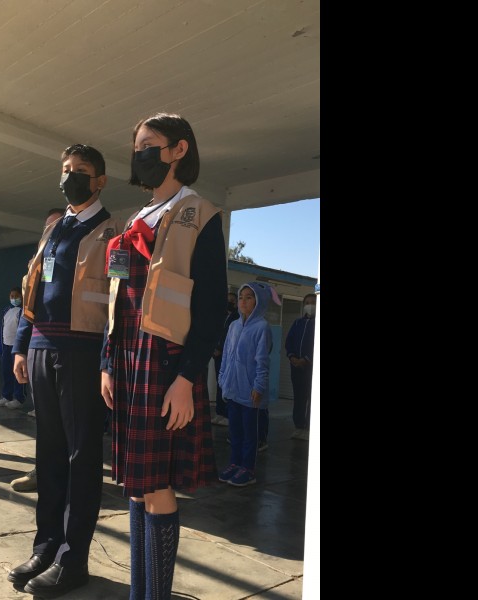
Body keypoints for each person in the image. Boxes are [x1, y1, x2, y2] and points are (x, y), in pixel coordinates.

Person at [100, 113, 226, 600]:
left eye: (149, 144)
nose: (140, 154)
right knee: (137, 484)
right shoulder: (135, 218)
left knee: (157, 487)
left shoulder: (200, 213)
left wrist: (187, 378)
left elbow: (210, 308)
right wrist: (107, 362)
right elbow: (115, 298)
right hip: (128, 360)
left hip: (165, 363)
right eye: (137, 147)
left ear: (178, 150)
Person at [6, 144, 123, 597]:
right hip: (41, 348)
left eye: (80, 170)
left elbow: (118, 305)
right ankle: (46, 548)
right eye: (66, 169)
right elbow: (32, 289)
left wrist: (108, 361)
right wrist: (21, 346)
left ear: (100, 181)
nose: (70, 177)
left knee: (81, 459)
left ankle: (73, 560)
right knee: (49, 456)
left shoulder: (114, 233)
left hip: (82, 353)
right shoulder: (54, 229)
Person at [9, 207, 66, 494]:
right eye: (47, 228)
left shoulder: (81, 259)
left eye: (56, 226)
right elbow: (27, 311)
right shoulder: (38, 264)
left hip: (74, 352)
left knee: (72, 423)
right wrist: (20, 350)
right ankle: (43, 472)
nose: (50, 231)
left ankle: (72, 479)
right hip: (39, 351)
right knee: (46, 420)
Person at [217, 282, 279, 487]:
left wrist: (258, 387)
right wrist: (222, 378)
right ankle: (234, 463)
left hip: (250, 392)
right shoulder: (234, 326)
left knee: (249, 433)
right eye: (240, 297)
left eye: (249, 297)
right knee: (234, 431)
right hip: (232, 389)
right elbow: (226, 355)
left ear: (259, 302)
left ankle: (248, 469)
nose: (243, 301)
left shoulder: (262, 327)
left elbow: (262, 361)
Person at [285, 292, 317, 441]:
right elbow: (289, 341)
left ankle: (310, 428)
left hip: (312, 368)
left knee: (312, 397)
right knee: (299, 397)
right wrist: (292, 357)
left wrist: (307, 359)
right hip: (296, 367)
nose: (310, 306)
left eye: (313, 303)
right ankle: (299, 426)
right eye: (307, 303)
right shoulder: (297, 323)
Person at [0, 287, 26, 409]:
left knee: (18, 373)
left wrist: (21, 348)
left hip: (16, 348)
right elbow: (2, 330)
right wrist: (0, 347)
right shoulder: (6, 311)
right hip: (6, 346)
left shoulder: (22, 311)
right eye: (12, 296)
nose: (14, 298)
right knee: (6, 372)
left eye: (17, 296)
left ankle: (19, 398)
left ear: (21, 297)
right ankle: (6, 396)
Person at [211, 292, 239, 426]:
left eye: (233, 301)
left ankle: (227, 415)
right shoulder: (221, 317)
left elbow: (229, 337)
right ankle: (219, 412)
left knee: (227, 385)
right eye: (228, 300)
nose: (230, 303)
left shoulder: (236, 318)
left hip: (227, 355)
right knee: (219, 384)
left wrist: (221, 349)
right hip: (217, 355)